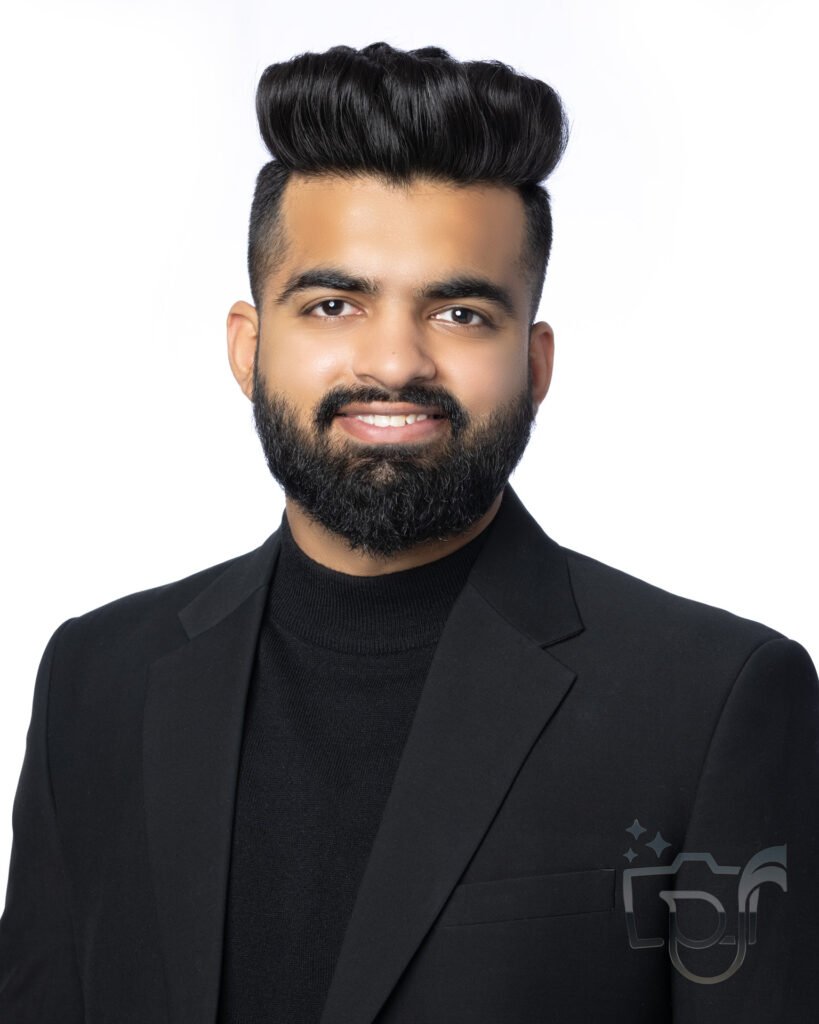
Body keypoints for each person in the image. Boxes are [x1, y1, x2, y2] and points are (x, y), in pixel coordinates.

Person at [1, 40, 817, 1024]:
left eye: (461, 313)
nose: (394, 361)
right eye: (333, 304)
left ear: (535, 364)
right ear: (248, 347)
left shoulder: (715, 702)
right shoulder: (95, 680)